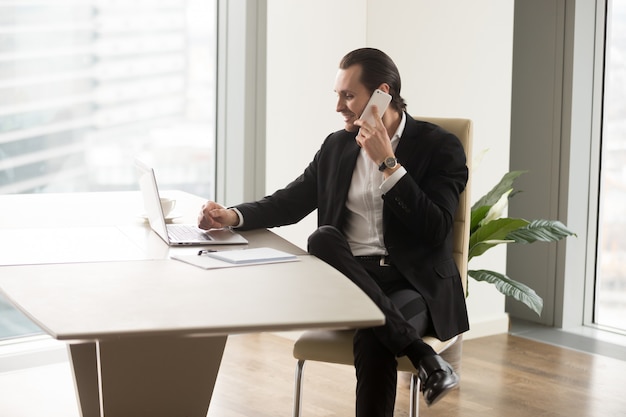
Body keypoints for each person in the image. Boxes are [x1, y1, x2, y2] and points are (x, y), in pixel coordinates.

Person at [198, 47, 469, 417]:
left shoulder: (440, 147)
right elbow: (289, 203)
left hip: (413, 284)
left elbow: (435, 228)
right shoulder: (336, 147)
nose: (339, 106)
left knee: (374, 330)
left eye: (348, 95)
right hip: (350, 279)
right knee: (323, 238)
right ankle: (425, 359)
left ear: (382, 94)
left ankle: (418, 353)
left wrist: (387, 164)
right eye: (338, 95)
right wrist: (231, 216)